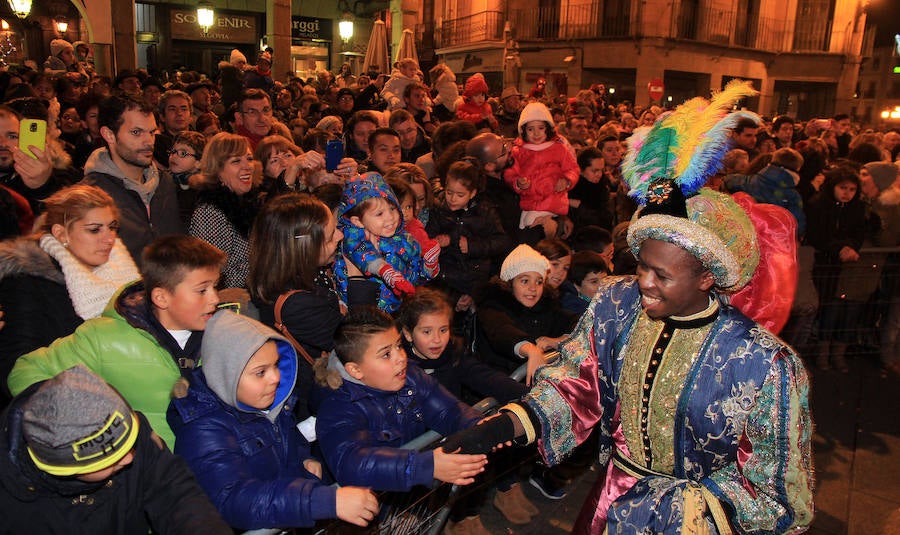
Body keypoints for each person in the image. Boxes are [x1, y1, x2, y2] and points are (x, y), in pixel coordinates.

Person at [441, 83, 814, 535]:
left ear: (708, 277)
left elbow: (777, 495)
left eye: (662, 275)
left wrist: (682, 508)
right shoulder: (617, 304)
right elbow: (576, 384)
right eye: (641, 266)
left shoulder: (764, 364)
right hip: (609, 505)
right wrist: (504, 427)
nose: (643, 283)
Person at [168, 311, 379, 530]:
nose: (276, 378)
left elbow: (288, 438)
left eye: (276, 365)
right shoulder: (202, 429)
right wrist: (323, 501)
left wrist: (304, 458)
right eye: (260, 372)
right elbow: (233, 499)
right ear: (226, 374)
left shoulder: (269, 404)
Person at [8, 235, 226, 447]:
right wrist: (91, 426)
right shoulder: (104, 339)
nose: (215, 298)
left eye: (215, 286)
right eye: (202, 290)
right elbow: (27, 370)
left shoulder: (225, 334)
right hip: (146, 472)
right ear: (161, 297)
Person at [0, 365, 230, 534]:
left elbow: (174, 493)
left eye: (129, 446)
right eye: (110, 460)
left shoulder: (124, 431)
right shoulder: (13, 508)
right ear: (64, 468)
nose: (129, 459)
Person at [313, 307, 488, 491]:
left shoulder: (410, 376)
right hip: (369, 510)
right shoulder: (338, 406)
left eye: (398, 345)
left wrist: (482, 426)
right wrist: (426, 466)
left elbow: (448, 411)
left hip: (405, 498)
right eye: (386, 354)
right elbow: (352, 463)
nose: (401, 358)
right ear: (355, 370)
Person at [0, 185, 139, 404]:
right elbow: (17, 365)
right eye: (94, 229)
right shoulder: (28, 282)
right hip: (66, 405)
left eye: (112, 227)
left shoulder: (122, 268)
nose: (109, 239)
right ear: (60, 233)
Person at [248, 193, 347, 424]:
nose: (341, 236)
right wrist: (357, 276)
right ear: (305, 248)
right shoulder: (297, 304)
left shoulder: (300, 274)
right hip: (313, 406)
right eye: (332, 235)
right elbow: (360, 341)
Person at [83, 95, 183, 267]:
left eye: (152, 132)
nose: (149, 141)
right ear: (109, 135)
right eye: (136, 132)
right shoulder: (91, 194)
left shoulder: (164, 182)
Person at [333, 172, 439, 313]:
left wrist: (427, 266)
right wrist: (384, 269)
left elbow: (412, 273)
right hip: (366, 308)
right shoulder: (354, 235)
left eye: (393, 208)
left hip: (398, 307)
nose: (390, 217)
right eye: (379, 214)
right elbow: (362, 252)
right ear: (357, 221)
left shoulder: (404, 237)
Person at [475, 244, 576, 376]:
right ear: (510, 283)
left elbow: (576, 321)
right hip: (498, 382)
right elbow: (502, 331)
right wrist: (530, 349)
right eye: (525, 281)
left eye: (539, 282)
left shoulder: (546, 306)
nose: (533, 288)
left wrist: (559, 340)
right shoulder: (493, 306)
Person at [425, 158, 510, 311]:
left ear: (472, 194)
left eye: (460, 195)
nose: (452, 199)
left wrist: (472, 246)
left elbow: (501, 241)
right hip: (446, 277)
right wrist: (442, 243)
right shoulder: (438, 210)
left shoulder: (484, 211)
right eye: (449, 192)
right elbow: (426, 243)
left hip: (476, 277)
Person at [189, 133, 260, 289]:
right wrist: (263, 267)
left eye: (249, 158)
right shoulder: (209, 213)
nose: (247, 166)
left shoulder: (248, 203)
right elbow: (213, 279)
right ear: (217, 170)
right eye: (236, 161)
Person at [504, 101, 580, 236]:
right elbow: (510, 172)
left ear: (548, 129)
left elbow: (573, 169)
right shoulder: (518, 151)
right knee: (523, 227)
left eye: (540, 128)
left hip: (553, 201)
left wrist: (566, 180)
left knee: (531, 225)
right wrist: (518, 182)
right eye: (530, 129)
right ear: (523, 131)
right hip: (529, 202)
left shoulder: (559, 148)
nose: (536, 133)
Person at [724, 146, 806, 237]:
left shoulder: (748, 182)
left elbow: (728, 180)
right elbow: (797, 226)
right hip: (773, 242)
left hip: (746, 237)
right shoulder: (792, 196)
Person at [569, 145, 614, 230]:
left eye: (602, 170)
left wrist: (579, 206)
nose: (599, 174)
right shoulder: (570, 188)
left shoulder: (602, 186)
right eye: (595, 171)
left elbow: (605, 219)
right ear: (580, 169)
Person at [559, 250, 610, 315]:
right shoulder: (575, 311)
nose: (602, 286)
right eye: (594, 282)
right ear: (576, 286)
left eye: (605, 279)